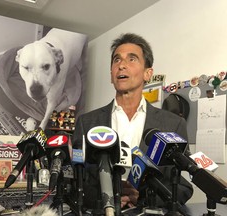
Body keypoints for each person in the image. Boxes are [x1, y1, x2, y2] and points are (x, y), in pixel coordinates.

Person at [72, 33, 193, 212]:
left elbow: (182, 188)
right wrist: (105, 197)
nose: (121, 65)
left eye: (132, 59)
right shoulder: (86, 122)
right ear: (111, 75)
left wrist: (145, 197)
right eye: (116, 60)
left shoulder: (174, 125)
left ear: (148, 73)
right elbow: (75, 182)